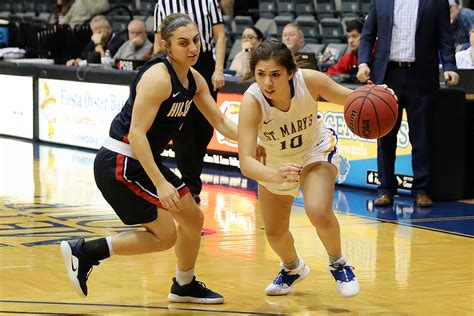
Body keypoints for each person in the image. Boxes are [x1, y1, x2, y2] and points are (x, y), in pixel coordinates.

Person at [60, 13, 237, 304]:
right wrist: (161, 182)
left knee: (191, 220)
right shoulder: (158, 77)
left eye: (195, 40)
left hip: (140, 161)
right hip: (121, 162)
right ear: (167, 46)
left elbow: (222, 123)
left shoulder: (193, 79)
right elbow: (137, 135)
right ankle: (86, 252)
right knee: (166, 236)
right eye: (183, 43)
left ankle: (183, 284)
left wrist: (254, 141)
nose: (192, 48)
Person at [238, 40, 377, 298]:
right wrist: (272, 174)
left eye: (275, 74)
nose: (267, 82)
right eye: (261, 74)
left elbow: (354, 100)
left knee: (317, 210)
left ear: (290, 73)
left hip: (315, 149)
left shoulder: (309, 81)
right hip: (277, 162)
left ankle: (339, 264)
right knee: (275, 234)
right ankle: (292, 269)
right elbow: (245, 161)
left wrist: (380, 94)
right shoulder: (252, 101)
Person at [357, 0, 459, 207]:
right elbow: (368, 34)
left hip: (420, 76)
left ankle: (422, 189)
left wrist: (450, 65)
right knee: (385, 137)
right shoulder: (381, 1)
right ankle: (385, 189)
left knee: (421, 137)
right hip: (387, 75)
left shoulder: (436, 2)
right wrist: (363, 62)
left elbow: (445, 36)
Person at [153, 0, 226, 204]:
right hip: (176, 61)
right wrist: (157, 66)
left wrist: (219, 69)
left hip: (204, 62)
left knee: (205, 128)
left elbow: (220, 35)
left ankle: (191, 180)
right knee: (182, 127)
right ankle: (191, 186)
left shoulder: (208, 1)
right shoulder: (162, 4)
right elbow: (159, 41)